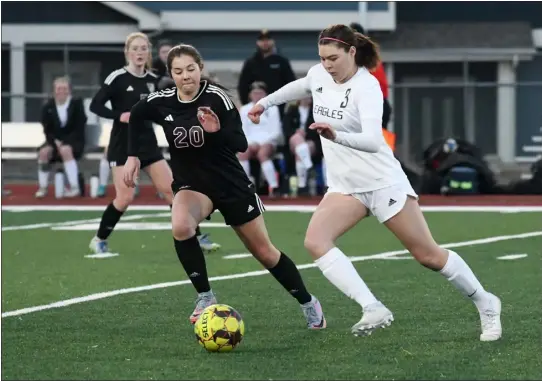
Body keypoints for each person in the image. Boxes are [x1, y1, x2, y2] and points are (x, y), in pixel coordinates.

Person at [247, 24, 502, 341]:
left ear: (352, 52)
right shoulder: (319, 74)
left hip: (382, 182)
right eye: (322, 58)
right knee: (316, 241)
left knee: (428, 256)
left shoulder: (367, 87)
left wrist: (334, 135)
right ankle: (372, 307)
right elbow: (302, 85)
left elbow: (372, 140)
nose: (327, 65)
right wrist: (264, 103)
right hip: (345, 187)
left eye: (333, 58)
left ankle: (485, 302)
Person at [122, 43, 325, 329]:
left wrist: (216, 131)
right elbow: (137, 115)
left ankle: (308, 302)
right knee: (181, 226)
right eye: (178, 71)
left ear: (200, 68)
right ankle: (205, 296)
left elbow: (240, 144)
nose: (185, 76)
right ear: (171, 74)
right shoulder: (163, 100)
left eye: (191, 69)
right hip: (193, 185)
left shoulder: (217, 98)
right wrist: (133, 155)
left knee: (265, 252)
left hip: (229, 183)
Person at [89, 33, 219, 254]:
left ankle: (196, 237)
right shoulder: (117, 77)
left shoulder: (153, 80)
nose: (140, 53)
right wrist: (119, 115)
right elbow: (95, 105)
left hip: (148, 144)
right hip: (122, 145)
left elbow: (161, 109)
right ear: (128, 52)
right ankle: (99, 239)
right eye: (135, 48)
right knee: (125, 197)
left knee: (173, 191)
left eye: (143, 49)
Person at [36, 76, 87, 198]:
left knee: (65, 150)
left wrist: (64, 143)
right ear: (54, 90)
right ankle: (43, 188)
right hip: (54, 141)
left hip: (75, 141)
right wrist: (55, 143)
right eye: (58, 88)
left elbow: (79, 128)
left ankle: (75, 188)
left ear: (69, 90)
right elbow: (47, 130)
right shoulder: (48, 106)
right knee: (43, 152)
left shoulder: (77, 104)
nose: (61, 91)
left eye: (64, 88)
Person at [237, 30, 296, 117]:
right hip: (256, 108)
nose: (265, 43)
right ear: (257, 42)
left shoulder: (282, 61)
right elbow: (243, 86)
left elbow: (291, 84)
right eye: (262, 40)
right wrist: (247, 104)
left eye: (267, 40)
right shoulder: (251, 63)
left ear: (273, 41)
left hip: (278, 107)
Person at [238, 81, 283, 196]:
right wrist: (252, 143)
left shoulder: (272, 108)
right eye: (255, 93)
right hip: (251, 142)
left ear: (265, 94)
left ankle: (273, 187)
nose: (257, 96)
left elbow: (276, 131)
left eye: (260, 93)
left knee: (262, 154)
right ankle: (245, 186)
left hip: (268, 141)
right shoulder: (244, 109)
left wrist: (262, 143)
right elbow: (243, 130)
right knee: (243, 153)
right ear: (250, 95)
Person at [282, 96, 323, 195]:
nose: (307, 98)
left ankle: (302, 186)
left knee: (300, 150)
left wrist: (305, 133)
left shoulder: (316, 111)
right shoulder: (291, 110)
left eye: (309, 96)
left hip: (311, 141)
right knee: (297, 139)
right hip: (293, 141)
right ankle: (309, 167)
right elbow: (286, 129)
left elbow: (319, 130)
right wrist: (297, 132)